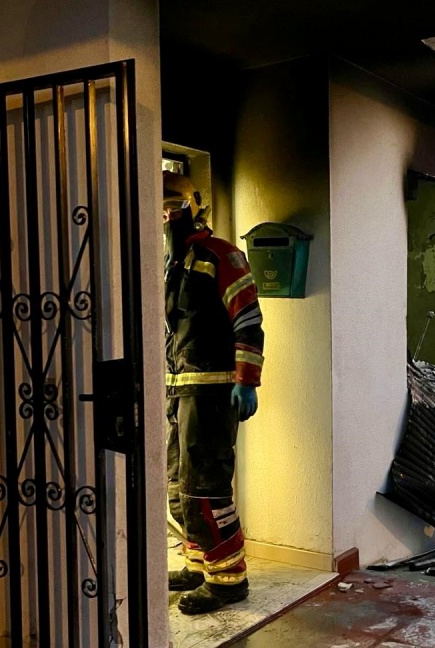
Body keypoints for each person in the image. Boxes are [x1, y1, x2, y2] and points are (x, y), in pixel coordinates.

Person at [163, 170, 265, 615]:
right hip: (179, 394)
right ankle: (199, 564)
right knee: (178, 486)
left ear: (194, 206)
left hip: (213, 395)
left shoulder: (221, 255)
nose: (167, 217)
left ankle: (228, 580)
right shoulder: (172, 264)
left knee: (206, 489)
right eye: (161, 209)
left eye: (173, 207)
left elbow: (248, 319)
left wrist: (246, 380)